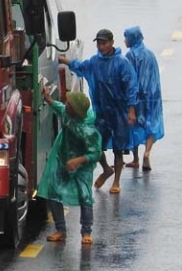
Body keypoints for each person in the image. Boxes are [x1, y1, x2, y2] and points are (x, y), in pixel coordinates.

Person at [59, 29, 138, 194]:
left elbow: (131, 87)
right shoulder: (95, 61)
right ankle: (106, 169)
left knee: (118, 148)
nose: (101, 46)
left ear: (111, 43)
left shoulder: (122, 63)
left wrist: (131, 110)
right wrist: (61, 60)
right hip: (101, 112)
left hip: (119, 113)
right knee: (95, 145)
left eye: (104, 43)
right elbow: (79, 66)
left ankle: (116, 181)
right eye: (99, 43)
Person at [37, 85, 103, 245]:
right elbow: (59, 108)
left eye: (69, 104)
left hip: (81, 166)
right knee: (53, 192)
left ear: (76, 111)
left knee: (84, 196)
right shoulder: (67, 114)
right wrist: (48, 98)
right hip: (63, 158)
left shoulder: (88, 131)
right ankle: (61, 229)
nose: (65, 104)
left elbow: (96, 153)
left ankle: (86, 232)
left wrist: (78, 161)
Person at [123, 26, 164, 171]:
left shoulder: (130, 56)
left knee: (133, 124)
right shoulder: (150, 54)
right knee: (151, 123)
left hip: (137, 97)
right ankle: (147, 152)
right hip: (152, 96)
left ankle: (135, 159)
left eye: (126, 37)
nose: (125, 40)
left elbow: (128, 78)